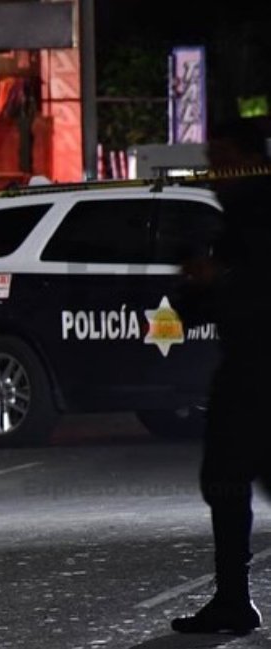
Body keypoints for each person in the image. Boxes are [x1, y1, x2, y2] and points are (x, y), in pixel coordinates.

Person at [171, 117, 271, 634]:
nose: (213, 173)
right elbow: (201, 307)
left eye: (224, 160)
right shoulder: (233, 220)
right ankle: (232, 597)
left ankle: (234, 597)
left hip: (260, 373)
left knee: (227, 479)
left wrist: (220, 281)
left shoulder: (258, 215)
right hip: (244, 371)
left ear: (251, 160)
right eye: (211, 161)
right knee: (224, 480)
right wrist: (199, 284)